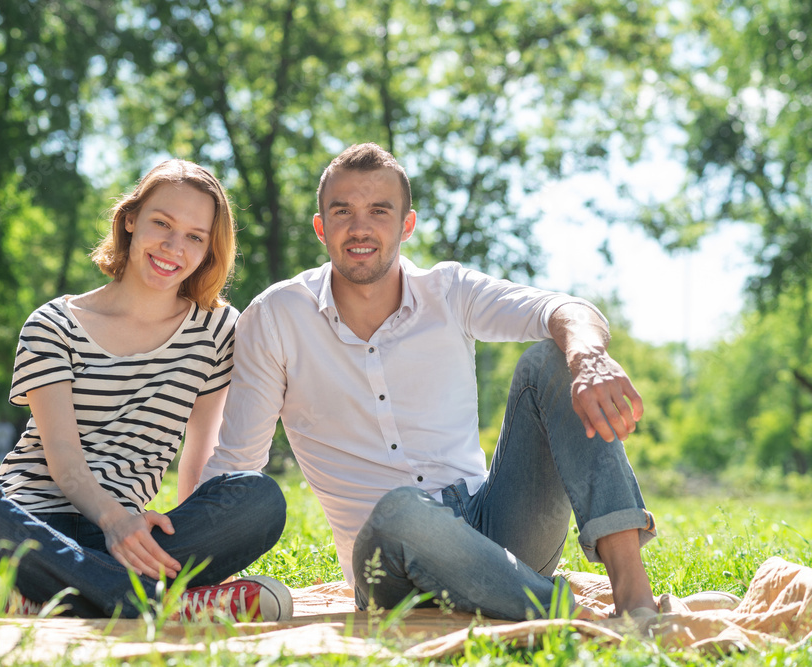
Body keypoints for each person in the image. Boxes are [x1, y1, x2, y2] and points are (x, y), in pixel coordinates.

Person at [199, 143, 659, 621]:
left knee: (554, 355)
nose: (360, 228)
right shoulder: (276, 317)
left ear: (406, 225)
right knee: (402, 509)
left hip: (495, 532)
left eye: (379, 211)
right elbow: (237, 464)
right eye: (343, 212)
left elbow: (564, 309)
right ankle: (566, 614)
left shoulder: (449, 291)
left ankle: (633, 598)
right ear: (321, 228)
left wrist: (587, 355)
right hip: (388, 562)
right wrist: (192, 570)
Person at [0, 159, 291, 621]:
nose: (175, 246)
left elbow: (201, 453)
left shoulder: (216, 330)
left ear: (210, 248)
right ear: (130, 220)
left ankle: (44, 597)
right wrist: (113, 520)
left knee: (259, 498)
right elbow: (63, 458)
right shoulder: (54, 324)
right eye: (162, 223)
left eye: (195, 236)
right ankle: (157, 603)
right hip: (29, 526)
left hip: (135, 540)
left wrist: (189, 533)